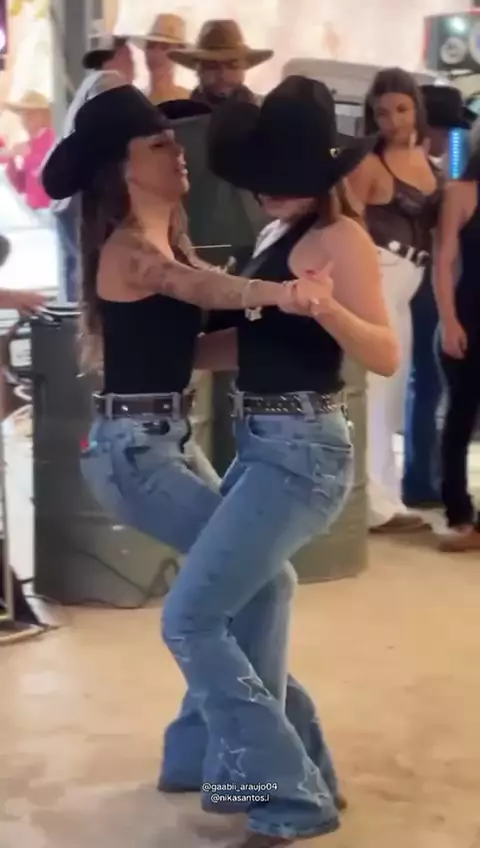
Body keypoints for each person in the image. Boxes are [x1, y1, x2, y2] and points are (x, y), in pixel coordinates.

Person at [39, 84, 344, 840]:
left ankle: (199, 756)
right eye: (157, 145)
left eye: (174, 140)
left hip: (159, 441)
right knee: (255, 590)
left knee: (254, 587)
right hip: (133, 455)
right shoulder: (132, 250)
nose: (178, 152)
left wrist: (295, 334)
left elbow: (193, 346)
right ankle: (279, 784)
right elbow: (197, 288)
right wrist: (280, 294)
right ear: (121, 169)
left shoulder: (170, 237)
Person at [158, 76, 398, 848]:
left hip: (303, 448)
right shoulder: (273, 234)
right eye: (261, 176)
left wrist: (324, 306)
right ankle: (300, 776)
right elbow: (255, 342)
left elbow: (385, 353)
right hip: (261, 438)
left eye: (281, 176)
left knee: (192, 616)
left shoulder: (341, 238)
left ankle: (290, 802)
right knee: (246, 609)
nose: (267, 190)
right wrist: (160, 358)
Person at [348, 67, 442, 533]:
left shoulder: (428, 162)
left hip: (411, 278)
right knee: (373, 388)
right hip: (380, 269)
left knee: (391, 387)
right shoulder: (368, 162)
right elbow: (347, 222)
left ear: (416, 110)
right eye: (382, 112)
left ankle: (385, 496)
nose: (393, 120)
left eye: (401, 109)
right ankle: (372, 502)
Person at [403, 85, 476, 509]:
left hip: (431, 281)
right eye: (443, 128)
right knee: (428, 385)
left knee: (429, 386)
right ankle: (422, 479)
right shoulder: (431, 177)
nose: (447, 137)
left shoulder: (436, 175)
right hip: (429, 284)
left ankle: (424, 476)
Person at [51, 33, 135, 303]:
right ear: (116, 57)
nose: (134, 65)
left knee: (77, 281)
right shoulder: (110, 83)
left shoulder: (89, 85)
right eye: (129, 57)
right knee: (93, 280)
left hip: (70, 198)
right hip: (88, 196)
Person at [433, 138, 480, 552]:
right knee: (460, 417)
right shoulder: (461, 193)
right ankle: (459, 515)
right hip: (469, 318)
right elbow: (444, 260)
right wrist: (448, 321)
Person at [168, 19, 272, 107]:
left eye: (232, 65)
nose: (223, 75)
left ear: (244, 67)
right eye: (212, 66)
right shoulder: (176, 118)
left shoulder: (266, 115)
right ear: (198, 69)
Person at [4, 91, 55, 212]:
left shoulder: (52, 141)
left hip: (49, 211)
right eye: (23, 114)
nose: (25, 118)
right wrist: (12, 159)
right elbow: (21, 186)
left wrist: (28, 155)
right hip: (33, 211)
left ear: (43, 116)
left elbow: (46, 174)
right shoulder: (30, 144)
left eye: (31, 113)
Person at [131, 14, 190, 104]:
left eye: (164, 47)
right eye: (151, 46)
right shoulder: (134, 101)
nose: (156, 54)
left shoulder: (189, 100)